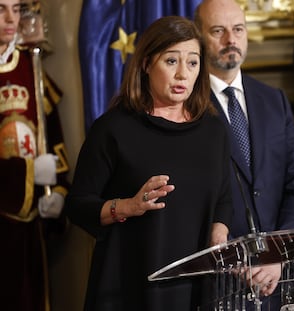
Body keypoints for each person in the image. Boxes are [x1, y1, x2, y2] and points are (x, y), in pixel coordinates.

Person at [64, 15, 232, 311]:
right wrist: (128, 206)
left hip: (196, 287)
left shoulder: (213, 130)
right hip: (129, 287)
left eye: (192, 63)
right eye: (171, 61)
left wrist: (219, 229)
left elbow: (224, 198)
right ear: (146, 64)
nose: (183, 74)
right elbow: (78, 205)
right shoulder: (114, 128)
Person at [194, 0, 294, 308]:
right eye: (218, 31)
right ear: (199, 36)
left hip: (278, 280)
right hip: (219, 281)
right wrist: (230, 257)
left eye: (238, 29)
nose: (231, 40)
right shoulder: (188, 107)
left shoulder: (274, 100)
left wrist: (279, 254)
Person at [0, 0, 70, 310]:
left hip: (29, 231)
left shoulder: (33, 66)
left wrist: (57, 190)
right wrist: (28, 175)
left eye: (17, 9)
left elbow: (55, 144)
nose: (10, 19)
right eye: (1, 9)